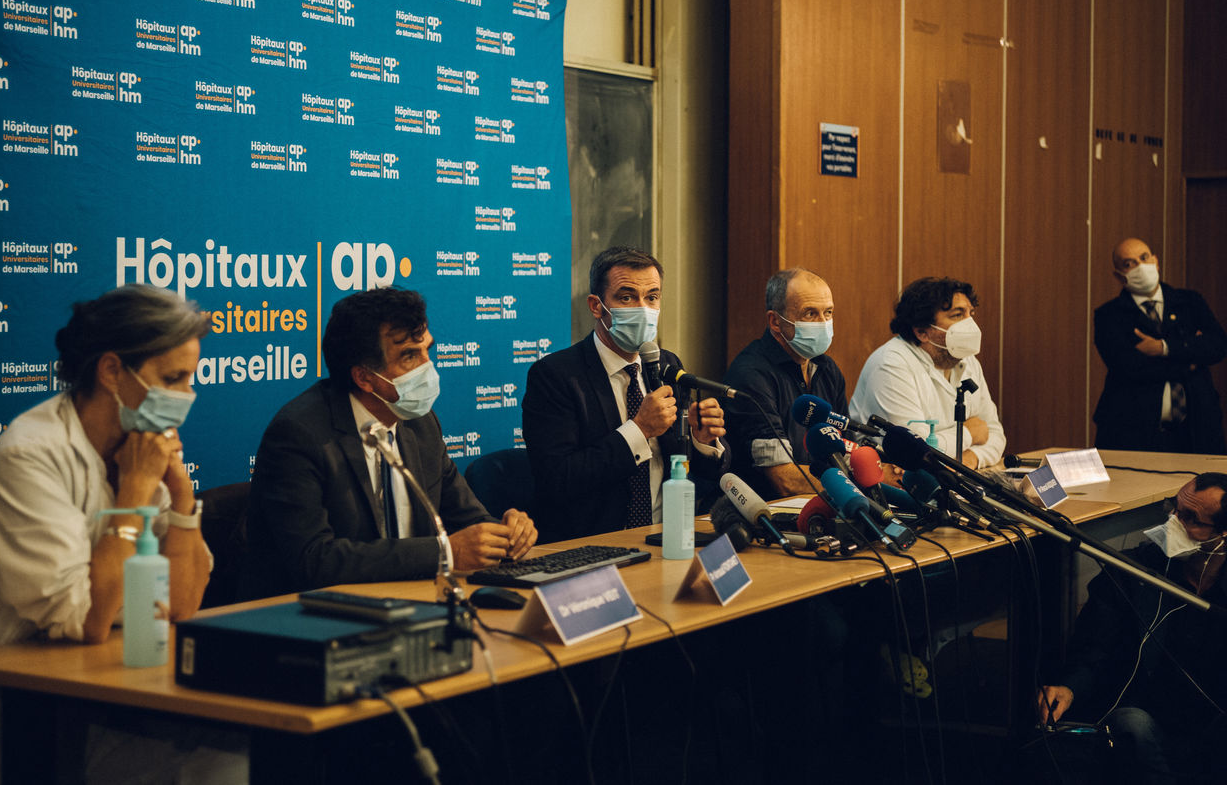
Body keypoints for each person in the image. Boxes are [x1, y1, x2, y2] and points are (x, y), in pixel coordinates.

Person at [0, 285, 233, 784]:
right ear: (112, 370)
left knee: (238, 753)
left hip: (108, 687)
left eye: (190, 378)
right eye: (173, 378)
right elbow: (89, 621)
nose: (186, 396)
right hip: (4, 711)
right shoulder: (29, 456)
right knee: (218, 767)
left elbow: (183, 605)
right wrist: (135, 492)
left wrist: (182, 497)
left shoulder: (138, 446)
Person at [240, 286, 536, 599]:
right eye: (410, 356)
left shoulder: (420, 424)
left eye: (427, 350)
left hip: (410, 599)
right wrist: (444, 553)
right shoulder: (300, 434)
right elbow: (314, 560)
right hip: (311, 612)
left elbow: (466, 518)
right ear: (364, 377)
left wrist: (506, 534)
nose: (427, 367)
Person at [1037, 474, 1227, 785]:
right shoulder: (1132, 571)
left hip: (1218, 722)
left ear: (1224, 539)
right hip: (1146, 713)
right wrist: (1070, 687)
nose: (1172, 520)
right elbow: (1093, 650)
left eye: (1189, 517)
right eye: (1174, 508)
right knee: (1131, 724)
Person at [522, 246, 727, 542]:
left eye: (652, 297)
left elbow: (697, 471)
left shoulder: (666, 365)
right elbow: (557, 478)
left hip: (667, 535)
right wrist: (639, 430)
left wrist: (702, 441)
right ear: (596, 306)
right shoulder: (556, 376)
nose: (643, 309)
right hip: (596, 542)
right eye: (627, 297)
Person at [849, 276, 1005, 468]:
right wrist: (970, 433)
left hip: (951, 475)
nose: (970, 324)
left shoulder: (967, 360)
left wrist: (970, 459)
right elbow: (915, 452)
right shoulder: (890, 364)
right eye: (958, 315)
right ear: (922, 331)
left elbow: (995, 434)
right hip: (891, 480)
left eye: (971, 314)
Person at [1092, 237, 1227, 453]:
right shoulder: (1109, 315)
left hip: (1197, 427)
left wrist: (1163, 348)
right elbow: (1128, 366)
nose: (1140, 266)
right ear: (1119, 275)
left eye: (1144, 258)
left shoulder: (1190, 302)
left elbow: (1218, 345)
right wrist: (1190, 361)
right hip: (1133, 429)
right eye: (1129, 264)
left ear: (1155, 261)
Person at [722, 267, 845, 499]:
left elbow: (844, 451)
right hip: (764, 512)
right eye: (810, 314)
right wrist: (852, 484)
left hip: (823, 505)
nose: (823, 323)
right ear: (775, 321)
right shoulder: (751, 375)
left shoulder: (827, 370)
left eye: (828, 312)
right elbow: (784, 478)